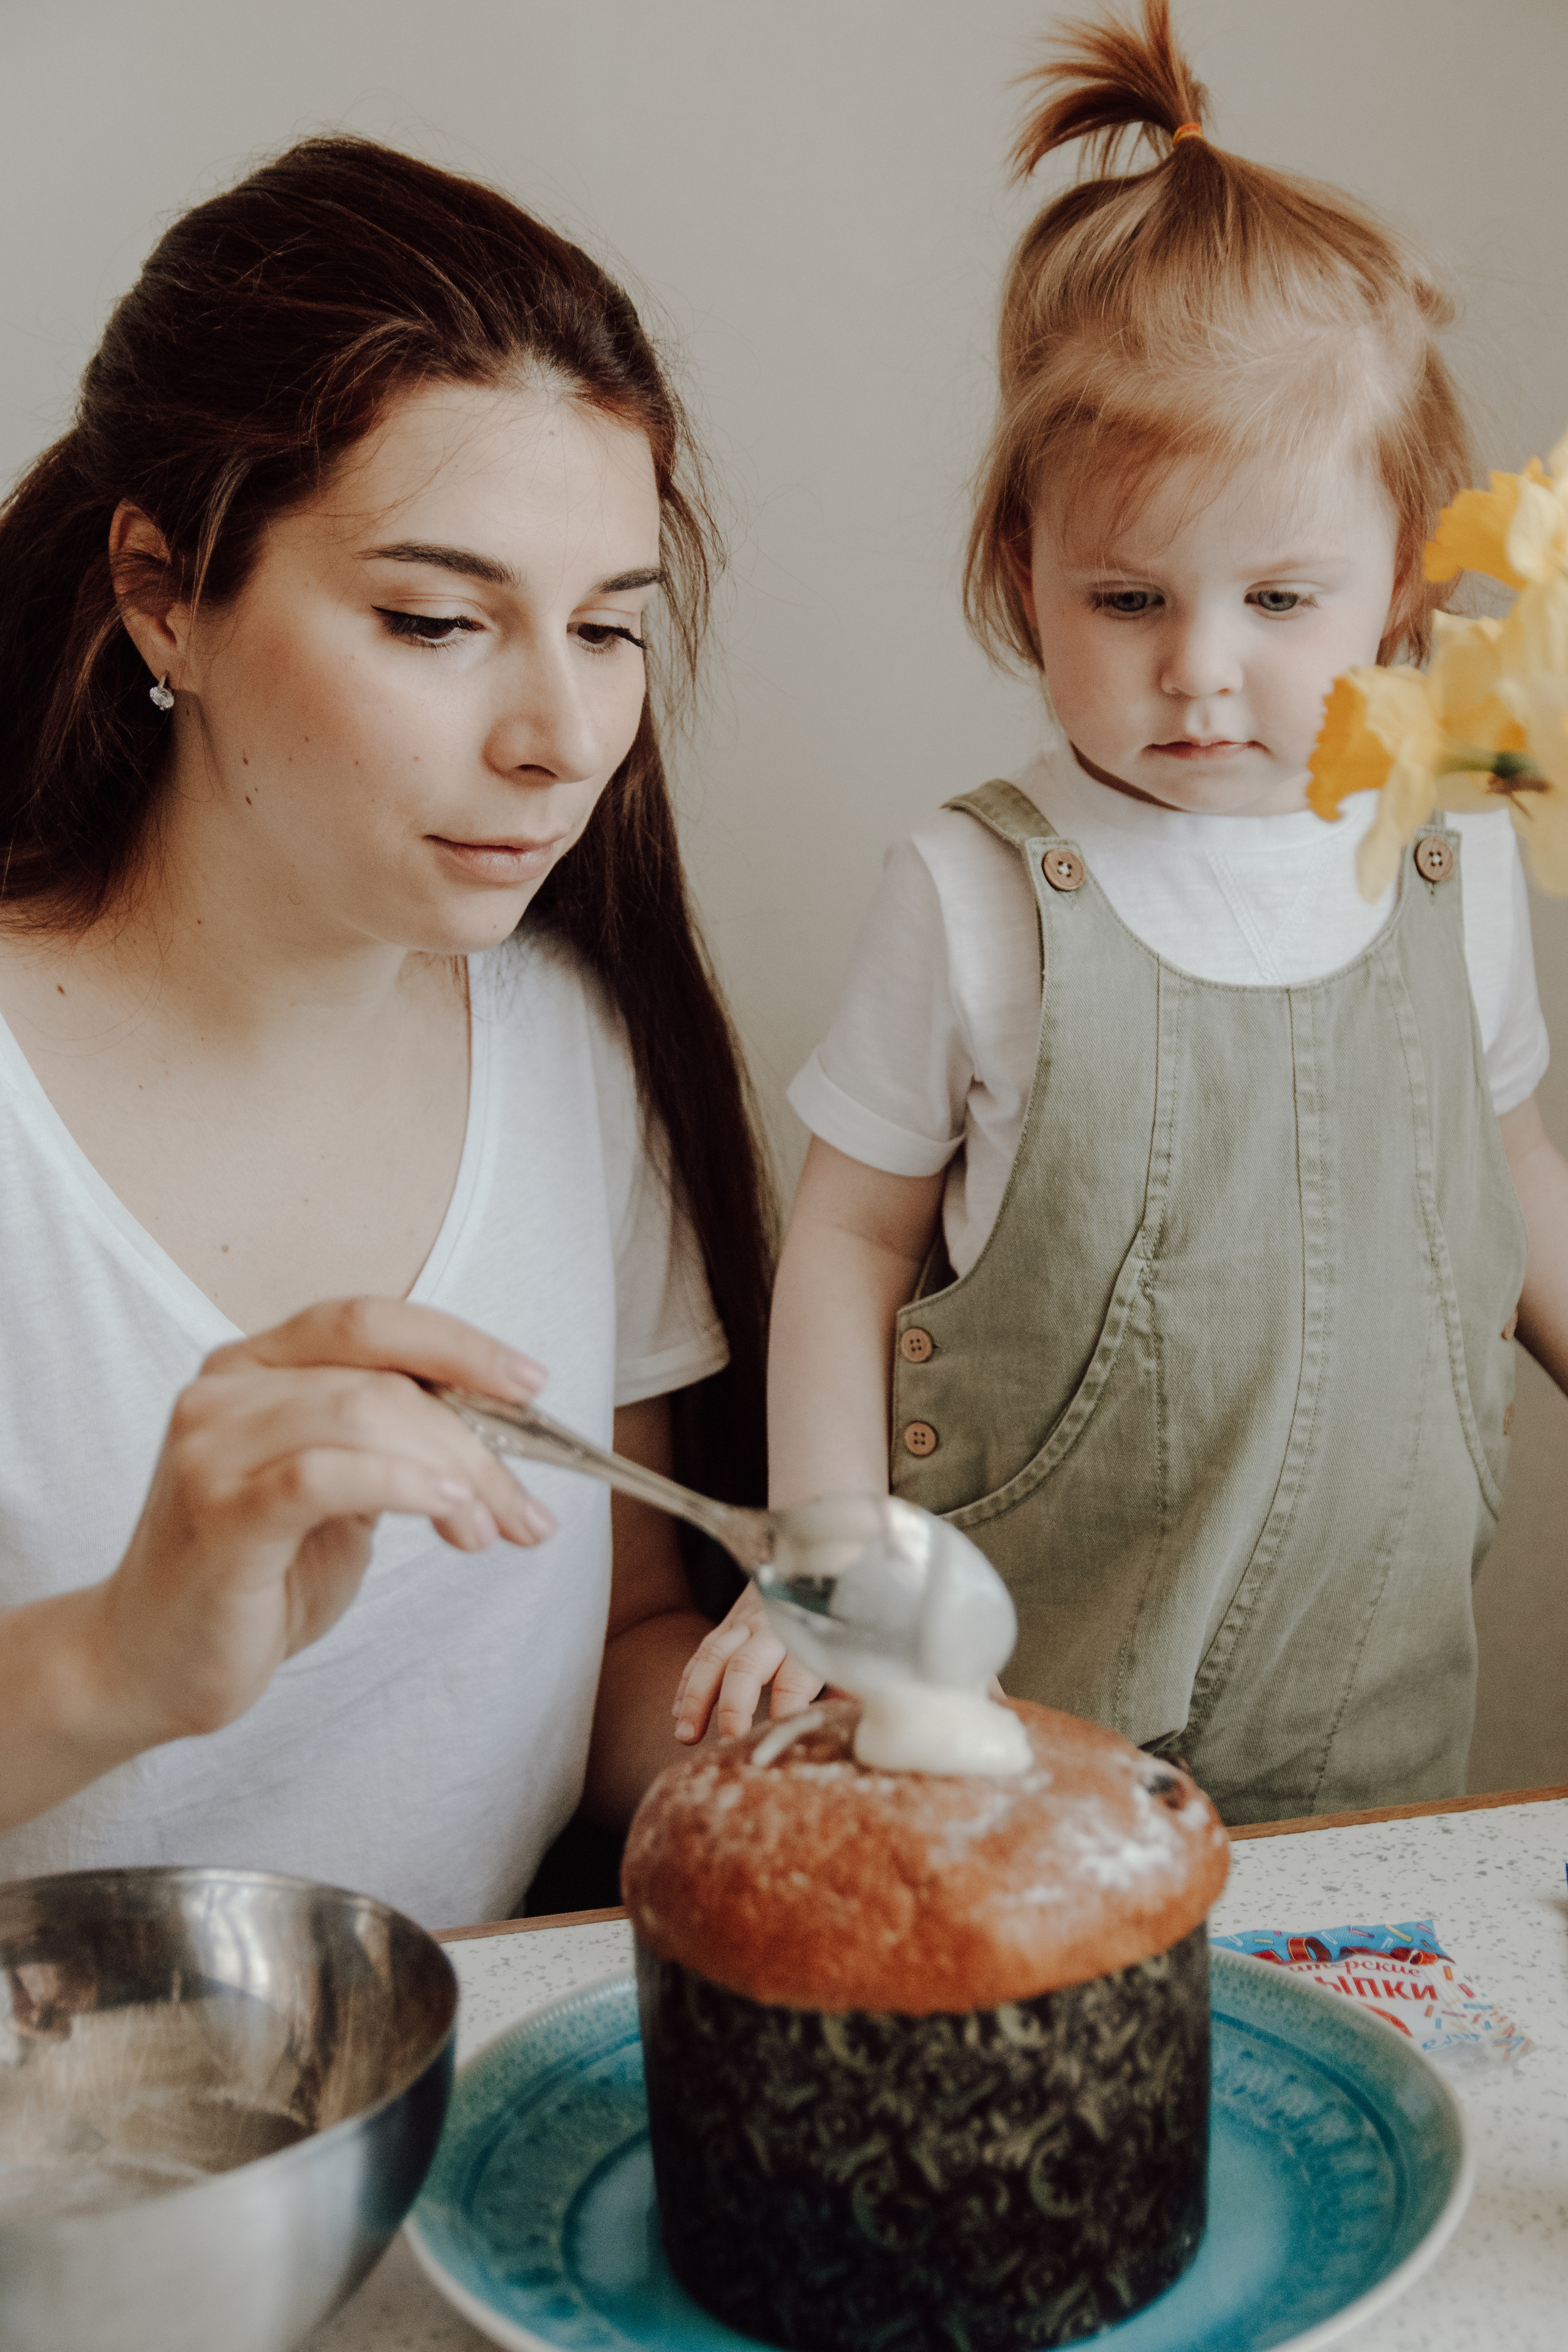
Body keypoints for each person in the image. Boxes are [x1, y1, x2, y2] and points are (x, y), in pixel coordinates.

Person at [674, 0, 1568, 1824]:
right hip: (1026, 1720)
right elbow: (846, 1245)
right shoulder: (977, 890)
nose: (1205, 675)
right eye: (1132, 600)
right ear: (1025, 571)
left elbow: (1507, 1159)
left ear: (1401, 576)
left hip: (1378, 1700)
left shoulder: (1449, 844)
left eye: (1282, 599)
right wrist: (829, 1561)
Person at [0, 137, 774, 1925]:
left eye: (606, 631)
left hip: (484, 2108)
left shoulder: (574, 1041)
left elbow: (623, 1631)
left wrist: (792, 1740)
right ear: (161, 592)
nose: (562, 736)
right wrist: (124, 1658)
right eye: (437, 620)